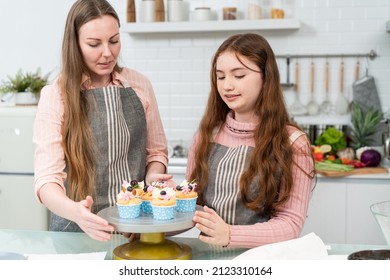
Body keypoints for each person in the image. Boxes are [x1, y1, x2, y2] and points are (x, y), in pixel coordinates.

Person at [33, 0, 171, 242]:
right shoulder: (56, 95)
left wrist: (151, 177)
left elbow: (157, 152)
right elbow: (46, 181)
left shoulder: (139, 85)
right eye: (94, 44)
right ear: (74, 44)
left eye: (114, 41)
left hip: (134, 228)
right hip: (75, 232)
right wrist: (76, 212)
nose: (108, 53)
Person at [187, 33, 315, 248]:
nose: (227, 86)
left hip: (264, 261)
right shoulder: (206, 136)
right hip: (208, 256)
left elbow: (291, 224)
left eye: (238, 75)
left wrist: (229, 234)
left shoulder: (293, 143)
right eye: (221, 76)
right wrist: (168, 195)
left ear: (266, 77)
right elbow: (193, 204)